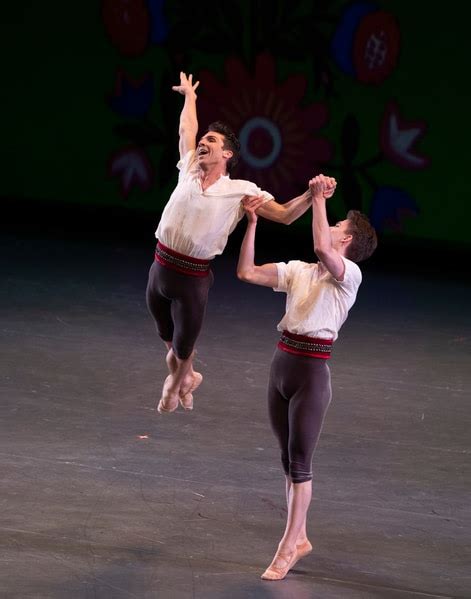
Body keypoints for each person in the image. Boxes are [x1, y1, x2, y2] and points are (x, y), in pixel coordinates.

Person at [146, 72, 335, 414]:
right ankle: (188, 377)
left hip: (192, 278)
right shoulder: (188, 167)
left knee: (184, 345)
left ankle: (175, 385)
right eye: (205, 138)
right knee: (169, 342)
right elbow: (186, 128)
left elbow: (285, 215)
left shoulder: (242, 190)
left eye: (213, 141)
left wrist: (311, 194)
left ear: (228, 154)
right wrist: (190, 96)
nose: (203, 142)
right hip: (159, 269)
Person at [237, 174, 378, 580]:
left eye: (339, 226)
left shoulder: (348, 275)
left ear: (347, 241)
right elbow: (246, 272)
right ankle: (299, 537)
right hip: (281, 366)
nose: (332, 228)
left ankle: (288, 546)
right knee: (286, 461)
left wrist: (318, 197)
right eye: (332, 222)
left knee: (300, 464)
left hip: (312, 375)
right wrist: (252, 224)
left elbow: (321, 243)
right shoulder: (300, 270)